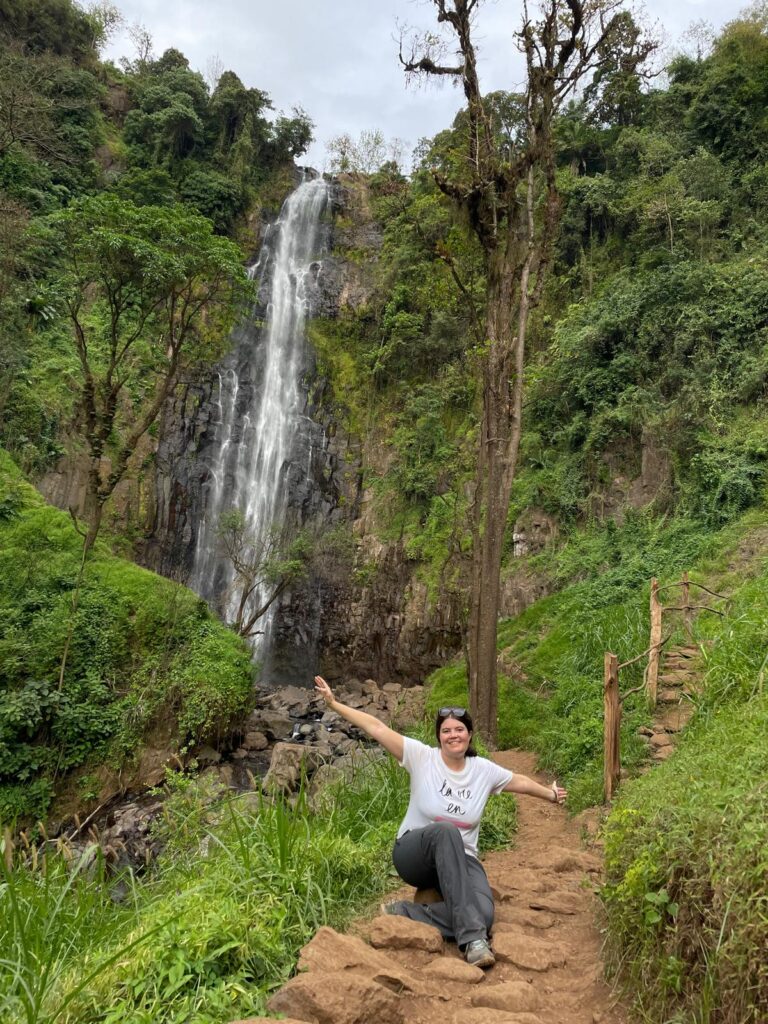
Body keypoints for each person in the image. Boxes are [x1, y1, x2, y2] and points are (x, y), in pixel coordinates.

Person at [313, 675, 567, 969]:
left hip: (463, 859)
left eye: (459, 729)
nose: (453, 735)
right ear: (438, 737)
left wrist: (550, 794)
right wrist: (334, 704)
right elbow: (377, 728)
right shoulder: (422, 758)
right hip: (415, 853)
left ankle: (406, 912)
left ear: (470, 734)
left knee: (483, 914)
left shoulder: (482, 770)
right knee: (447, 831)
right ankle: (472, 941)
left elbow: (519, 781)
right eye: (446, 731)